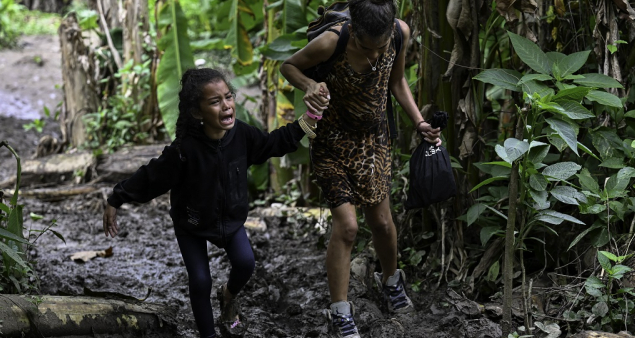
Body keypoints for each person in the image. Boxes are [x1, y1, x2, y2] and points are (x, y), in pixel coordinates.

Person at [102, 68, 321, 338]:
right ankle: (208, 334)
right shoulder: (184, 150)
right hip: (191, 224)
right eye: (215, 102)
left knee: (246, 263)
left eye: (228, 97)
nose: (226, 105)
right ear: (197, 112)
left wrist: (307, 121)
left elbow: (273, 143)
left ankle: (228, 297)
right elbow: (152, 177)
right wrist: (116, 198)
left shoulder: (242, 135)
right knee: (201, 280)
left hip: (230, 221)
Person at [280, 0, 442, 337]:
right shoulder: (331, 42)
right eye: (370, 46)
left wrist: (419, 122)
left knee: (382, 223)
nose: (377, 52)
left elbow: (396, 82)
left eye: (383, 45)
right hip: (332, 142)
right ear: (354, 30)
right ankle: (340, 311)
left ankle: (391, 282)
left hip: (374, 142)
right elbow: (289, 67)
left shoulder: (399, 33)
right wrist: (309, 86)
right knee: (348, 228)